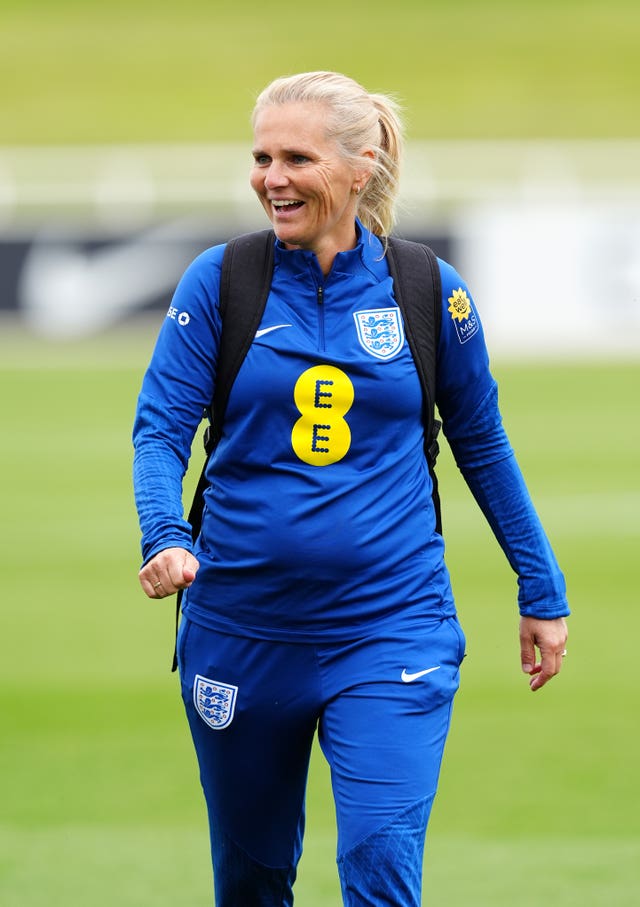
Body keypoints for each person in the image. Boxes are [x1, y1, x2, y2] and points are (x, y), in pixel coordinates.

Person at [132, 71, 569, 907]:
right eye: (261, 157)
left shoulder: (427, 290)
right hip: (241, 631)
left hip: (392, 629)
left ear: (362, 166)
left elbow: (481, 441)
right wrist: (165, 534)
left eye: (296, 156)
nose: (272, 177)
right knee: (253, 880)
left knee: (378, 866)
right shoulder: (221, 284)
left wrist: (540, 584)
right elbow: (159, 430)